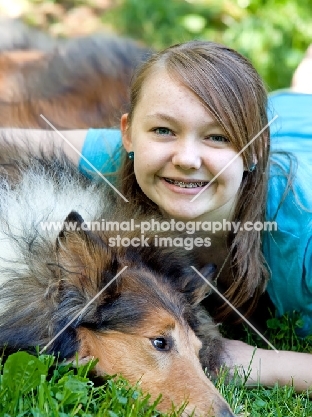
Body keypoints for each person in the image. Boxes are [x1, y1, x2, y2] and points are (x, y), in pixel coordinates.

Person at [1, 40, 312, 392]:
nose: (186, 159)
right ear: (127, 135)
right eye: (164, 129)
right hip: (284, 119)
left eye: (217, 136)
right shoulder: (129, 157)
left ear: (254, 149)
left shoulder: (305, 233)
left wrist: (266, 363)